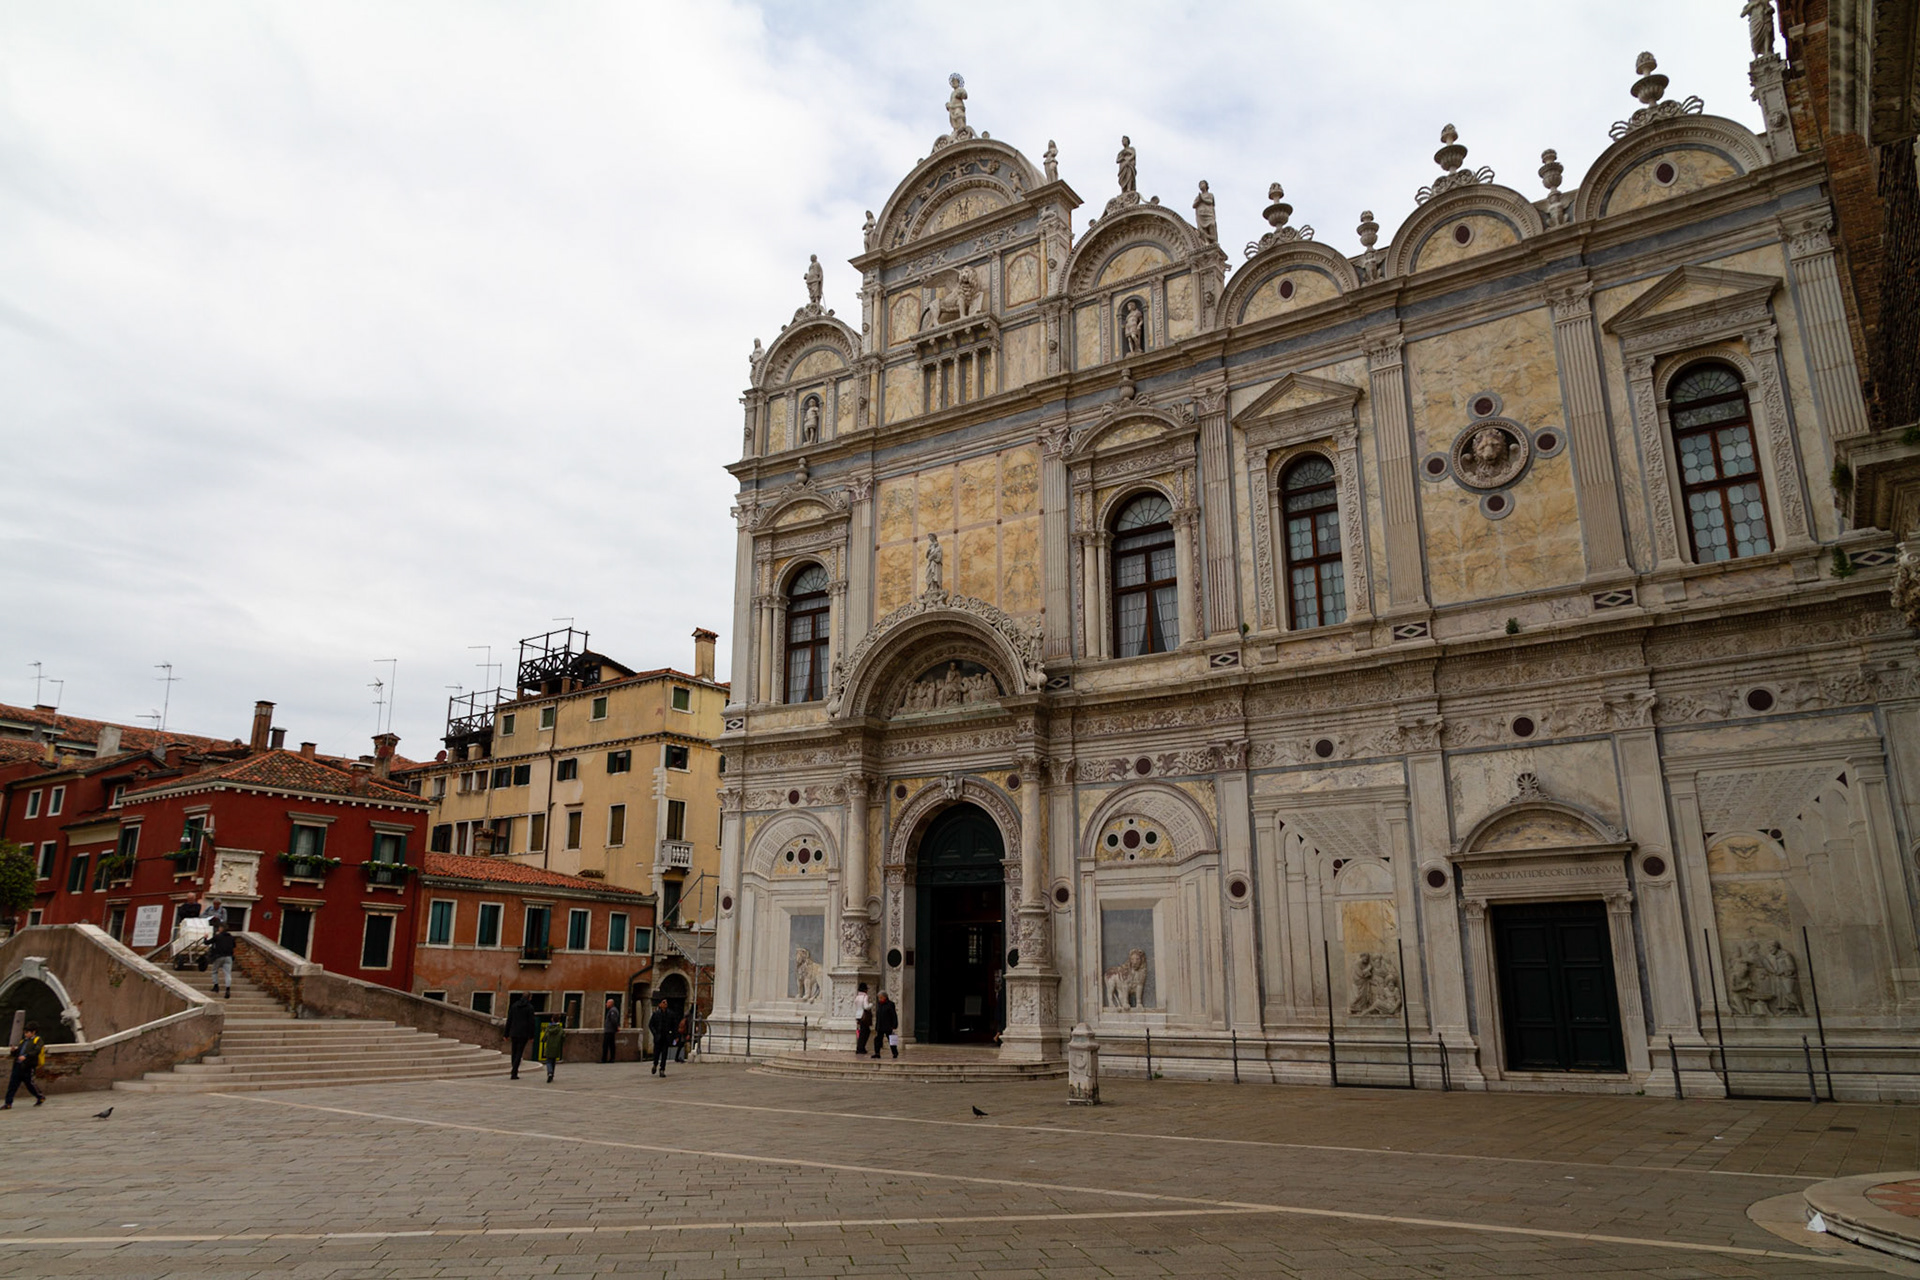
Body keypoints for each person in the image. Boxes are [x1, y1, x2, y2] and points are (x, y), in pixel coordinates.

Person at [4, 1021, 46, 1109]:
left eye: (27, 1032)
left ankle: (40, 1096)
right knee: (12, 1085)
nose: (26, 1034)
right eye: (25, 1032)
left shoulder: (37, 1040)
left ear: (33, 1032)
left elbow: (36, 1051)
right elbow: (17, 1053)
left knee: (29, 1084)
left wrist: (26, 1056)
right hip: (18, 1065)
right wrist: (13, 1051)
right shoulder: (23, 1041)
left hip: (28, 1066)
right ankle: (8, 1103)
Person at [505, 993, 536, 1079]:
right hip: (524, 1033)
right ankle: (514, 1071)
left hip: (514, 1032)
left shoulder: (514, 1006)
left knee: (514, 1052)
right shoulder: (530, 1008)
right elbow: (532, 1023)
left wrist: (506, 1034)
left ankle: (514, 1069)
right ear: (529, 998)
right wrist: (531, 1036)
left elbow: (509, 1020)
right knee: (519, 1052)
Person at [648, 999, 676, 1077]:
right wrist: (655, 1033)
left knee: (664, 1054)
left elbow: (674, 1026)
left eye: (666, 1003)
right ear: (660, 1004)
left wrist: (673, 1036)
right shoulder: (656, 1014)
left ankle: (662, 1069)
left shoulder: (670, 1014)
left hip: (666, 1037)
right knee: (656, 1053)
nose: (665, 1004)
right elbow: (650, 1025)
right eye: (663, 1002)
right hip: (658, 1037)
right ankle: (655, 1064)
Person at [206, 922, 235, 998]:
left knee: (214, 971)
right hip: (229, 957)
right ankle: (227, 989)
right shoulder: (231, 937)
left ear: (221, 928)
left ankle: (216, 986)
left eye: (219, 927)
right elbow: (234, 945)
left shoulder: (217, 936)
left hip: (219, 956)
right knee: (227, 974)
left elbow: (207, 942)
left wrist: (205, 937)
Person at [536, 1014, 565, 1083]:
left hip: (549, 1046)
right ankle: (552, 1074)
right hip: (556, 1047)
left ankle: (550, 1072)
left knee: (548, 1061)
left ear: (552, 1019)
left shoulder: (548, 1028)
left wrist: (543, 1040)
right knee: (553, 1061)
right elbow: (563, 1037)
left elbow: (545, 1036)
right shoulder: (560, 1029)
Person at [871, 991, 899, 1060]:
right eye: (879, 998)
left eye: (881, 997)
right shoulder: (879, 1005)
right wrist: (876, 1026)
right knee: (877, 1040)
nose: (879, 999)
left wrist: (894, 1025)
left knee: (891, 1040)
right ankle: (877, 1053)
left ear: (885, 997)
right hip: (880, 1026)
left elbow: (894, 1015)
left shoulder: (890, 1004)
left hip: (888, 1026)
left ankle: (895, 1053)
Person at [853, 982, 872, 1055]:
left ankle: (860, 1047)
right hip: (864, 1016)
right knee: (865, 1032)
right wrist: (871, 1004)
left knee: (862, 1032)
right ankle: (861, 1047)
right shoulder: (865, 996)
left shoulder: (857, 997)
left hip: (858, 1016)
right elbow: (866, 1006)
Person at [600, 997, 620, 1064]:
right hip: (611, 1030)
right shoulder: (613, 1010)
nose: (606, 1004)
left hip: (609, 1031)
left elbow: (613, 1020)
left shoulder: (612, 1011)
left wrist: (616, 1027)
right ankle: (611, 1059)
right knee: (611, 1045)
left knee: (606, 1045)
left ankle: (604, 1059)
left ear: (611, 1003)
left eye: (607, 1003)